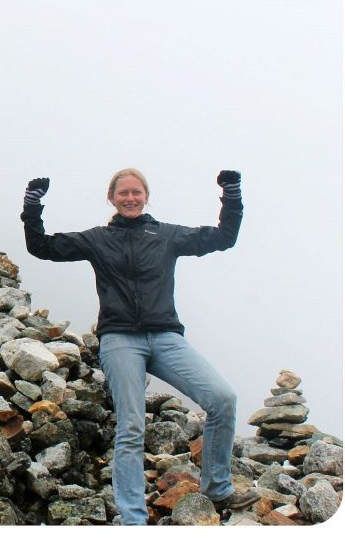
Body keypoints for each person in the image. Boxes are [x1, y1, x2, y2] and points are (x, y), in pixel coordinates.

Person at [20, 168, 259, 525]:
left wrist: (232, 195)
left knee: (223, 398)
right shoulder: (97, 239)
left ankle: (218, 488)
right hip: (120, 339)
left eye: (136, 192)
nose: (130, 198)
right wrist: (32, 206)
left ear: (146, 196)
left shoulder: (167, 235)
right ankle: (134, 520)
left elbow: (224, 237)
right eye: (123, 193)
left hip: (166, 337)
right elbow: (42, 247)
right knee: (132, 425)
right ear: (112, 199)